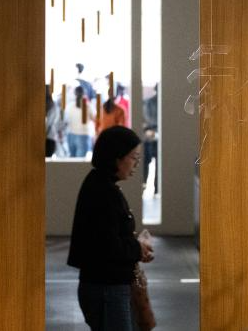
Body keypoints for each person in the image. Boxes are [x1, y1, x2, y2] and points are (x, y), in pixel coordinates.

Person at [68, 126, 154, 330]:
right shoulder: (104, 192)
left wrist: (136, 245)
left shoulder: (99, 184)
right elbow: (108, 246)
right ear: (117, 157)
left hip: (105, 285)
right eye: (133, 157)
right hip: (107, 288)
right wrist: (138, 248)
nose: (136, 164)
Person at [65, 85, 95, 158]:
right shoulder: (89, 106)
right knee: (80, 162)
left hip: (71, 134)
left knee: (71, 160)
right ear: (84, 94)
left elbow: (66, 120)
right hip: (83, 134)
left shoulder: (69, 106)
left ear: (75, 94)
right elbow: (94, 118)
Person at [141, 84, 159, 196]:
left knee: (153, 164)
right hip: (149, 136)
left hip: (153, 135)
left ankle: (155, 188)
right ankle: (147, 187)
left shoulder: (148, 102)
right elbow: (145, 119)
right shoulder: (147, 102)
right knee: (146, 163)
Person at [46, 85, 62, 157]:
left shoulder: (51, 105)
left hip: (46, 137)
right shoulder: (53, 105)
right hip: (51, 137)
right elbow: (55, 121)